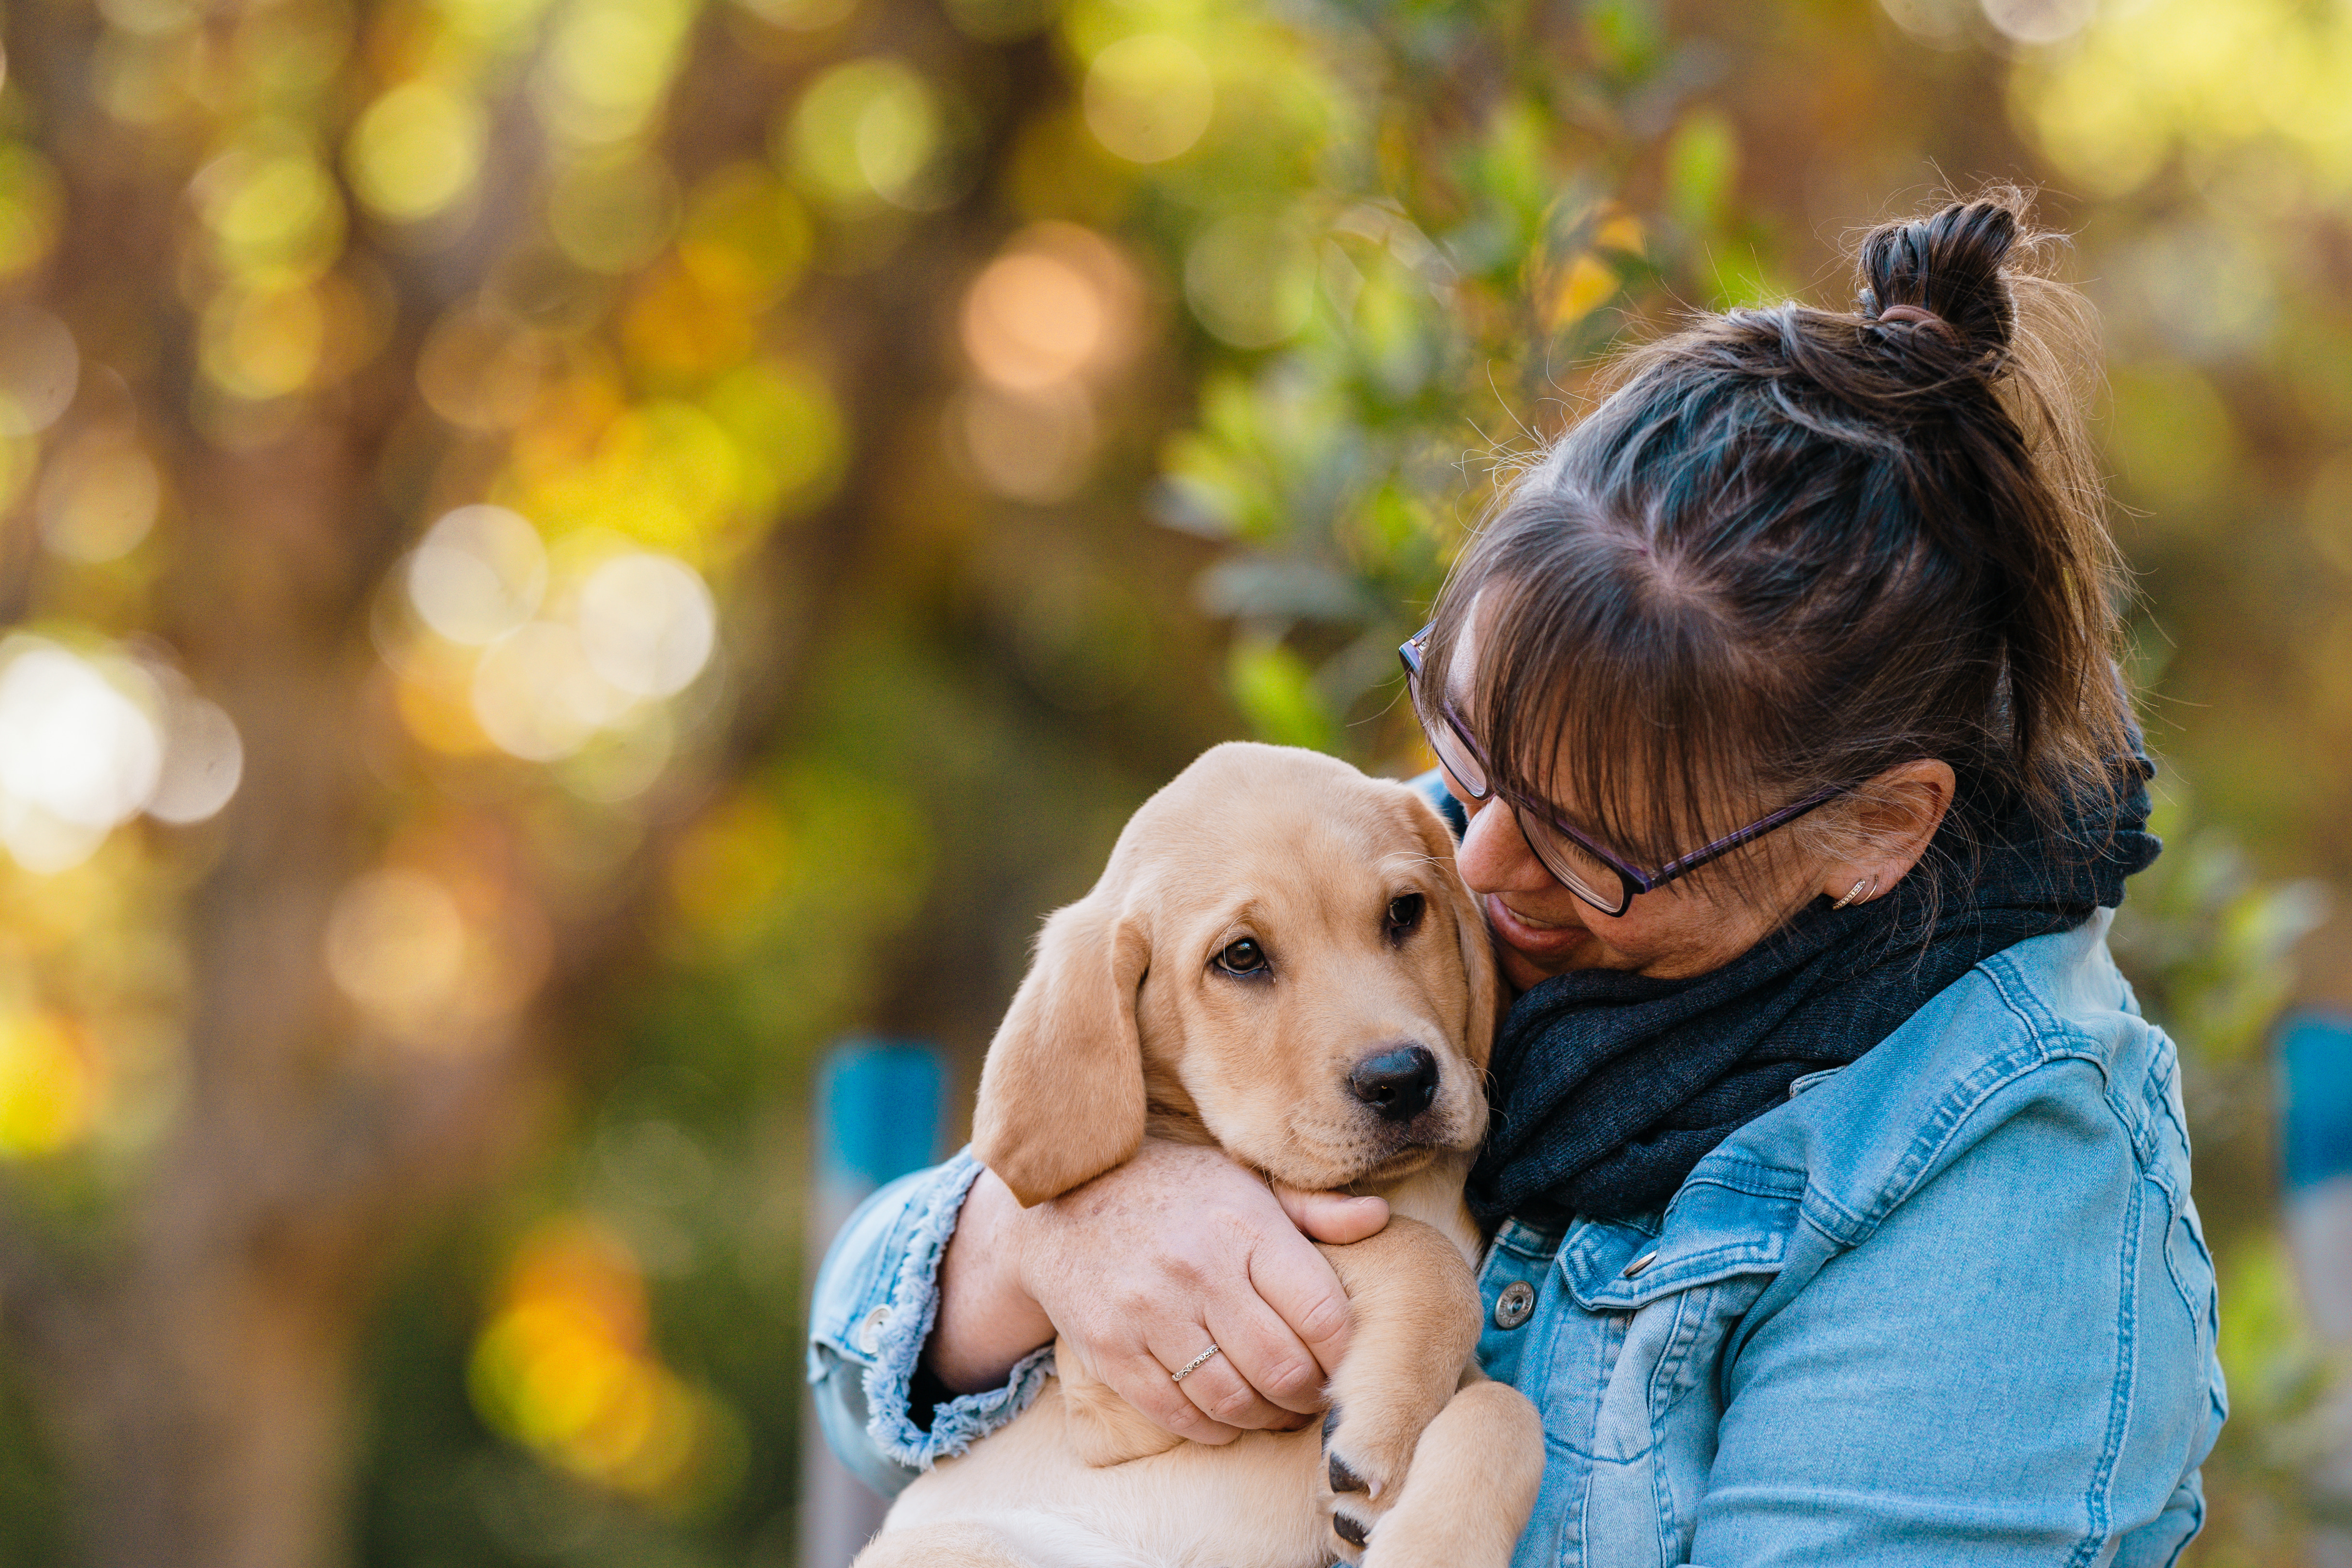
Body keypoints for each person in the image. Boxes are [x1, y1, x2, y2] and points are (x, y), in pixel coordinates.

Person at [806, 190, 2226, 1566]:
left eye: (1596, 835)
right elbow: (857, 1371)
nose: (1475, 856)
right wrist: (1041, 1242)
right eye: (1470, 743)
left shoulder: (2011, 1194)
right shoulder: (1395, 871)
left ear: (1875, 831)